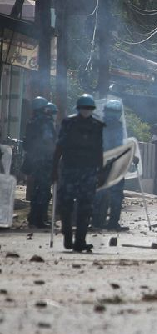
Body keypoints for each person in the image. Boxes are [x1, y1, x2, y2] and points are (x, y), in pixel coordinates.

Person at [51, 94, 104, 252]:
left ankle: (80, 240)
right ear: (79, 108)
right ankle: (67, 233)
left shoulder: (97, 126)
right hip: (69, 169)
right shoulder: (68, 123)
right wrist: (54, 169)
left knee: (85, 206)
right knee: (66, 205)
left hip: (88, 171)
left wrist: (100, 172)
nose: (86, 111)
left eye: (88, 108)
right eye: (83, 108)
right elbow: (59, 147)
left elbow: (98, 151)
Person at [93, 99, 126, 230]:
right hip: (112, 164)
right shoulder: (116, 126)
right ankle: (112, 222)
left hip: (101, 164)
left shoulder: (98, 124)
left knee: (100, 192)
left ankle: (97, 221)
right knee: (116, 194)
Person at [23, 96, 56, 229]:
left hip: (35, 160)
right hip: (44, 161)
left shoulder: (32, 122)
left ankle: (34, 218)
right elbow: (48, 141)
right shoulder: (45, 122)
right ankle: (39, 219)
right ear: (43, 109)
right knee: (44, 191)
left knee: (37, 190)